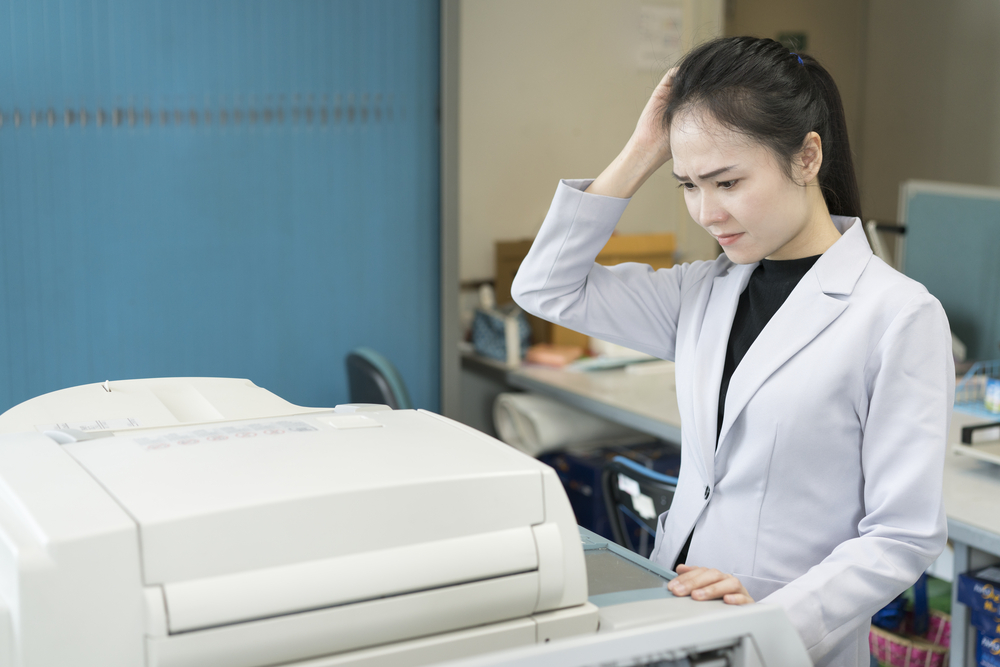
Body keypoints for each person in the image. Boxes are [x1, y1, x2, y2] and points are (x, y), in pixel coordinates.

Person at [511, 37, 954, 667]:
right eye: (688, 184)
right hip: (672, 612)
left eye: (728, 181)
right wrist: (643, 149)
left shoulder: (896, 315)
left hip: (789, 640)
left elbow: (902, 535)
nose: (706, 212)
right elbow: (545, 286)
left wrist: (774, 621)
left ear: (807, 156)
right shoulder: (704, 290)